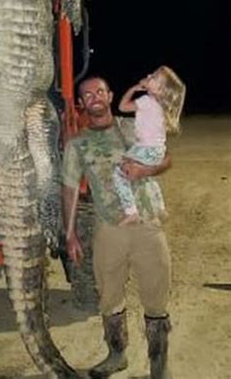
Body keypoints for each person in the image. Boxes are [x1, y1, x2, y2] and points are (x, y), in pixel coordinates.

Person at [61, 76, 174, 379]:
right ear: (81, 104)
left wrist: (145, 169)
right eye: (87, 94)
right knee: (109, 295)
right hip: (109, 227)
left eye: (100, 91)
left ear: (110, 96)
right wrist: (69, 233)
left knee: (156, 295)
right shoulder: (77, 143)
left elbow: (166, 158)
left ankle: (159, 364)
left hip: (148, 222)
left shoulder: (132, 126)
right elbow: (70, 188)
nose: (94, 97)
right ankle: (116, 354)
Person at [114, 66, 186, 224]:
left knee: (119, 174)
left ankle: (131, 211)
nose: (148, 75)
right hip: (158, 151)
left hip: (145, 148)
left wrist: (134, 89)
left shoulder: (146, 101)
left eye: (153, 77)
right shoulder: (161, 104)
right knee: (147, 176)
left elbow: (122, 107)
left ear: (159, 90)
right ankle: (160, 207)